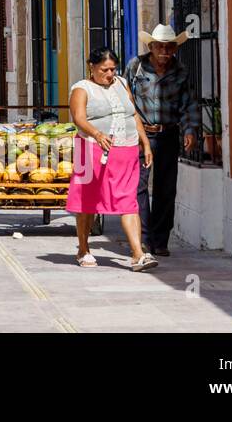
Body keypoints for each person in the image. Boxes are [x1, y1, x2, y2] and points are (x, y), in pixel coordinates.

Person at [67, 48, 157, 272]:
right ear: (92, 67)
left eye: (113, 68)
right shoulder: (82, 88)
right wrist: (97, 134)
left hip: (125, 150)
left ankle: (138, 255)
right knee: (87, 201)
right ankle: (84, 249)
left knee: (129, 200)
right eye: (104, 69)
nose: (109, 73)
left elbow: (132, 113)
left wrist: (144, 142)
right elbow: (78, 118)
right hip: (90, 150)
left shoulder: (121, 83)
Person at [124, 24, 199, 257]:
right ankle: (143, 238)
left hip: (168, 133)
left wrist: (190, 130)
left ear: (175, 49)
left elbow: (189, 103)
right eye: (160, 48)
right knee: (139, 186)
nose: (164, 53)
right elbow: (126, 99)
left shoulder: (181, 71)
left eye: (169, 48)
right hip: (141, 134)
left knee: (166, 187)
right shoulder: (135, 67)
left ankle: (161, 239)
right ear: (151, 47)